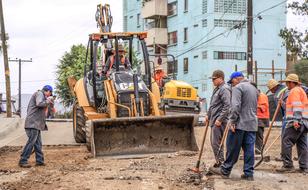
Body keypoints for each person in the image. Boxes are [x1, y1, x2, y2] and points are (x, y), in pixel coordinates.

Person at [209, 72, 259, 181]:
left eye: (232, 82)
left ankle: (225, 170)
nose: (232, 84)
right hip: (252, 124)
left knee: (232, 147)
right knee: (249, 149)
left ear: (236, 79)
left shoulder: (238, 88)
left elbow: (235, 106)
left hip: (239, 124)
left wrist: (232, 121)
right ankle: (248, 173)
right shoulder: (253, 88)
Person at [277, 74, 308, 173]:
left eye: (287, 83)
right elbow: (293, 106)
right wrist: (283, 104)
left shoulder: (294, 91)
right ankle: (304, 166)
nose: (286, 85)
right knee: (301, 143)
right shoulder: (301, 91)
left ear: (291, 82)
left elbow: (297, 106)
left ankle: (288, 165)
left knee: (286, 140)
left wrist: (296, 120)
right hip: (304, 121)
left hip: (296, 121)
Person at [18, 85, 54, 168]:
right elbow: (39, 104)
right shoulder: (39, 93)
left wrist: (49, 102)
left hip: (35, 124)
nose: (49, 95)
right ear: (48, 91)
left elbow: (47, 109)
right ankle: (23, 160)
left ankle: (40, 161)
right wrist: (48, 101)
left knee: (38, 144)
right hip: (32, 123)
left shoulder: (41, 96)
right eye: (50, 93)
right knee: (31, 142)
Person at [206, 70, 231, 167]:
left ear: (221, 78)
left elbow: (227, 106)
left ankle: (221, 162)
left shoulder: (224, 89)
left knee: (216, 142)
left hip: (219, 121)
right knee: (214, 142)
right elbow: (213, 104)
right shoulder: (217, 89)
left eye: (214, 79)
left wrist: (220, 119)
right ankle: (219, 161)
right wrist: (208, 115)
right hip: (214, 119)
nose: (213, 81)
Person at [267, 79, 289, 161]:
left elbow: (280, 109)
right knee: (301, 139)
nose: (271, 91)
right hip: (300, 116)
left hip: (287, 117)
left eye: (271, 89)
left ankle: (284, 157)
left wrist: (284, 118)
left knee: (285, 137)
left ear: (274, 87)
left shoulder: (277, 94)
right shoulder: (287, 88)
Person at [255, 90, 270, 155]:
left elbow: (263, 107)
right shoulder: (261, 95)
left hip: (261, 117)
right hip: (260, 117)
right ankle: (258, 148)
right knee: (258, 134)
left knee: (259, 134)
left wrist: (255, 105)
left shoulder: (262, 96)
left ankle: (258, 149)